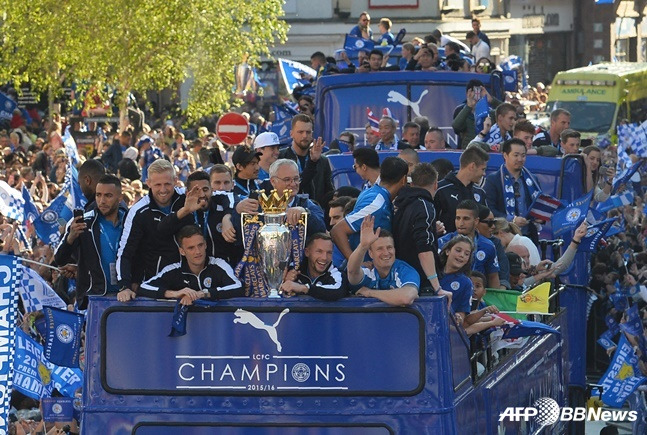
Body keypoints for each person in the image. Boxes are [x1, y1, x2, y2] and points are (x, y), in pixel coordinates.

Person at [55, 174, 128, 308]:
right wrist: (71, 237)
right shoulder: (83, 223)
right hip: (95, 299)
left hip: (127, 297)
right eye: (98, 195)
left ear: (120, 198)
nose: (102, 201)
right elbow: (60, 260)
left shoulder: (130, 222)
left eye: (108, 196)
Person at [116, 159, 183, 302]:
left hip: (188, 285)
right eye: (158, 185)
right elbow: (125, 252)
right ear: (148, 183)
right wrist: (125, 286)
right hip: (153, 288)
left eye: (167, 184)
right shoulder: (137, 211)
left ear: (175, 181)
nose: (163, 190)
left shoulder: (186, 199)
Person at [138, 225, 243, 304]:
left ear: (206, 245)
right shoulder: (173, 270)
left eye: (200, 245)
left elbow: (238, 288)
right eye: (191, 248)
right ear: (182, 251)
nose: (197, 251)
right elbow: (143, 288)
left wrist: (203, 294)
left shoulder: (219, 264)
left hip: (215, 326)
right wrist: (176, 294)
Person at [331, 157, 408, 261]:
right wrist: (356, 262)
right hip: (366, 273)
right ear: (404, 180)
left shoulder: (373, 192)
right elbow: (337, 230)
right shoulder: (376, 205)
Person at [158, 171, 238, 265]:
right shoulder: (181, 210)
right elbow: (161, 229)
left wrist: (226, 218)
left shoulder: (220, 206)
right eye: (196, 190)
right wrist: (186, 210)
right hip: (190, 273)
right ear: (187, 192)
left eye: (205, 189)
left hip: (222, 270)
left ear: (211, 190)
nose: (202, 195)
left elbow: (232, 196)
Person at [393, 163, 446, 295]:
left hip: (401, 276)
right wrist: (437, 287)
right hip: (421, 282)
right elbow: (424, 248)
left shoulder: (401, 204)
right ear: (435, 184)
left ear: (412, 183)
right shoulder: (424, 206)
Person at [347, 216, 418, 306]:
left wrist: (369, 292)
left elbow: (406, 297)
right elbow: (352, 272)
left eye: (389, 247)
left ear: (394, 250)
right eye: (379, 249)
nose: (386, 253)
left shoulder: (405, 270)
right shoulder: (368, 269)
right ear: (371, 253)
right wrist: (363, 246)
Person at [484, 139, 541, 242]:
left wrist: (539, 216)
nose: (520, 159)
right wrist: (512, 219)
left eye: (523, 155)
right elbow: (489, 209)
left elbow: (538, 204)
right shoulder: (493, 180)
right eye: (516, 155)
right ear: (505, 155)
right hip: (504, 237)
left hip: (529, 236)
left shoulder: (532, 179)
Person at [438, 200, 501, 289]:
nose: (461, 223)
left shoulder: (488, 246)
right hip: (448, 291)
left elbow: (493, 277)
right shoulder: (443, 242)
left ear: (476, 221)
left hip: (476, 294)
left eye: (466, 219)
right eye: (458, 218)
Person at [279, 114, 334, 207]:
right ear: (291, 133)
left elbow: (328, 192)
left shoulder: (322, 161)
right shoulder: (281, 158)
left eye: (308, 132)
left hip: (315, 212)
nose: (305, 136)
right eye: (300, 132)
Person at [434, 146, 489, 233]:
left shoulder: (480, 192)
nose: (484, 174)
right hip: (446, 245)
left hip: (474, 245)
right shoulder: (440, 190)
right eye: (483, 169)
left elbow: (486, 221)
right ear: (472, 166)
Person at [280, 233, 348, 301]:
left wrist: (304, 288)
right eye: (319, 251)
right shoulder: (293, 269)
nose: (324, 257)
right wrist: (283, 281)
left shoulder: (337, 274)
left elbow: (337, 291)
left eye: (329, 253)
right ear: (307, 252)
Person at [452, 80, 502, 149]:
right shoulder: (461, 110)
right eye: (474, 91)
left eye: (480, 91)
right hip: (468, 150)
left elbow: (508, 112)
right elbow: (456, 127)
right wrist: (469, 106)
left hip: (486, 150)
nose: (477, 94)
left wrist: (491, 100)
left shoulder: (490, 112)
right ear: (468, 93)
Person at [438, 234, 475, 325]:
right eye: (458, 250)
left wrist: (458, 318)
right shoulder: (431, 273)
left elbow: (462, 314)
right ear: (447, 251)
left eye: (466, 254)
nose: (462, 255)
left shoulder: (466, 283)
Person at [476, 204, 510, 289]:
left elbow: (503, 272)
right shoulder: (454, 241)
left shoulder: (495, 243)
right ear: (476, 222)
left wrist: (499, 293)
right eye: (489, 223)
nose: (493, 226)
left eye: (494, 222)